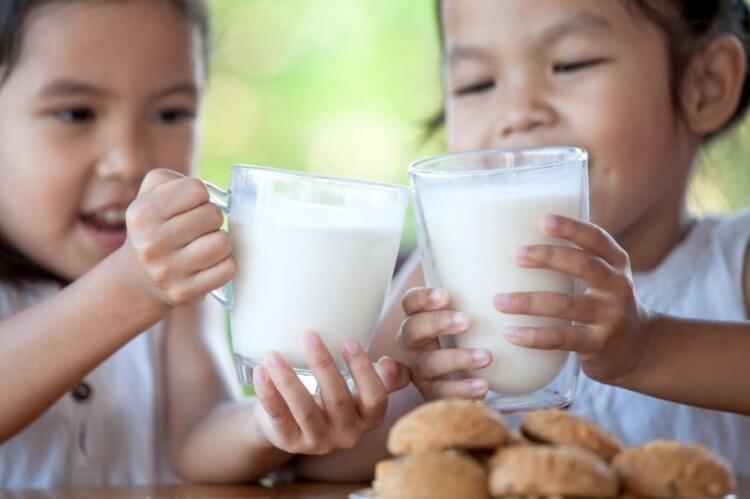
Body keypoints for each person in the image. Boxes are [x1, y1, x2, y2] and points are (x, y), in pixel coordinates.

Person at [0, 0, 409, 488]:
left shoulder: (185, 295)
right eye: (75, 113)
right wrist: (129, 287)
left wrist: (267, 424)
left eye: (171, 112)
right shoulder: (148, 287)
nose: (128, 160)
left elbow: (198, 440)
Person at [396, 0, 750, 472]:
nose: (517, 114)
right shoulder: (444, 274)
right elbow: (342, 449)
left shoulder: (735, 263)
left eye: (570, 63)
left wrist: (647, 349)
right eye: (477, 83)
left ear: (706, 86)